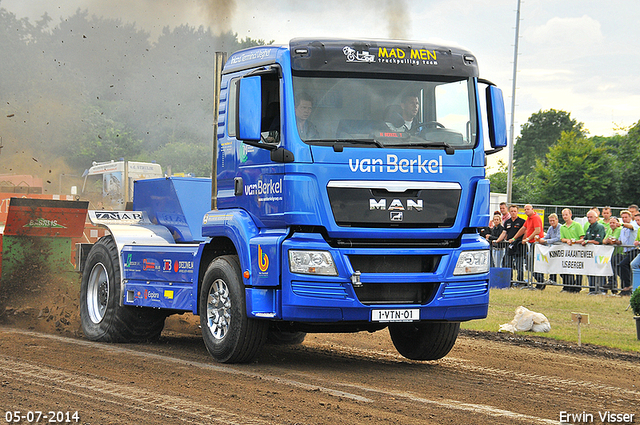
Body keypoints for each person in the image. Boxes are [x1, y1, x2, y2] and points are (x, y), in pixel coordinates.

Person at [510, 204, 545, 289]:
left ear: (532, 209)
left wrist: (528, 238)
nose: (526, 211)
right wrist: (514, 238)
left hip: (536, 244)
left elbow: (537, 230)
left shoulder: (535, 217)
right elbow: (523, 229)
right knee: (530, 265)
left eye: (528, 209)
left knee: (533, 265)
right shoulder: (529, 219)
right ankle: (539, 282)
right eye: (525, 209)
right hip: (531, 244)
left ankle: (541, 282)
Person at [495, 205, 526, 284]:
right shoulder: (507, 222)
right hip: (510, 245)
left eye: (515, 211)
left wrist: (523, 240)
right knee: (508, 264)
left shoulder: (522, 221)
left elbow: (525, 232)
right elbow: (504, 232)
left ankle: (520, 281)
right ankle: (510, 281)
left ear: (517, 212)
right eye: (511, 211)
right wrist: (497, 240)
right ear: (509, 212)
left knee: (519, 265)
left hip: (519, 245)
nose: (513, 213)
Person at [559, 208, 585, 292]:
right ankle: (567, 285)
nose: (565, 216)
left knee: (578, 268)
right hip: (567, 251)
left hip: (577, 249)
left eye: (566, 214)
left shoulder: (577, 225)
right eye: (563, 215)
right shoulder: (562, 227)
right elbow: (562, 238)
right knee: (566, 267)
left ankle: (577, 287)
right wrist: (567, 240)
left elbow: (582, 237)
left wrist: (575, 241)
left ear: (570, 215)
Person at [581, 210, 606, 294]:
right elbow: (584, 238)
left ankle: (600, 289)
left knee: (599, 271)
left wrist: (587, 242)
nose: (589, 219)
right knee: (590, 271)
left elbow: (598, 241)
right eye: (588, 217)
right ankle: (592, 289)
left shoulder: (600, 227)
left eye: (591, 217)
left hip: (598, 253)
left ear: (596, 218)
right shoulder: (589, 227)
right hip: (590, 254)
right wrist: (573, 241)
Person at [612, 210, 636, 295]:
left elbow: (631, 227)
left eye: (626, 217)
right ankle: (626, 288)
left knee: (623, 265)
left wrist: (622, 224)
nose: (624, 219)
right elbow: (621, 241)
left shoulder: (634, 224)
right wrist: (615, 241)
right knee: (622, 267)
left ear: (630, 217)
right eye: (622, 218)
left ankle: (628, 286)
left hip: (634, 250)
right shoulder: (622, 229)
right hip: (626, 251)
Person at [538, 212, 561, 286]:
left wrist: (546, 241)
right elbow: (547, 236)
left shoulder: (560, 227)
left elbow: (558, 238)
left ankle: (566, 283)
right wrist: (540, 239)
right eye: (550, 221)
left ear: (557, 220)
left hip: (559, 249)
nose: (552, 222)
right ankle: (552, 279)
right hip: (552, 249)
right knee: (551, 263)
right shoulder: (550, 228)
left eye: (553, 220)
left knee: (559, 266)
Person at [603, 216, 622, 292]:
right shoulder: (610, 230)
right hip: (612, 253)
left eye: (613, 222)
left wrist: (608, 241)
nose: (611, 224)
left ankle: (613, 284)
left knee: (616, 270)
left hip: (620, 252)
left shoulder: (619, 229)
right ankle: (612, 285)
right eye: (610, 222)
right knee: (611, 268)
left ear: (617, 223)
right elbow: (604, 240)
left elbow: (612, 241)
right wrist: (607, 241)